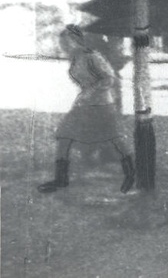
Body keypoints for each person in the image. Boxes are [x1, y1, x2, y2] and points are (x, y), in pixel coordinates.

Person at [38, 25, 135, 194]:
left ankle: (133, 173)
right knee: (64, 135)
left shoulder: (92, 56)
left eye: (66, 42)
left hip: (102, 106)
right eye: (62, 43)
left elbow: (109, 79)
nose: (63, 47)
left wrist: (90, 91)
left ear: (76, 41)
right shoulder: (74, 58)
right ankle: (60, 179)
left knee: (115, 139)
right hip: (84, 105)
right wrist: (83, 95)